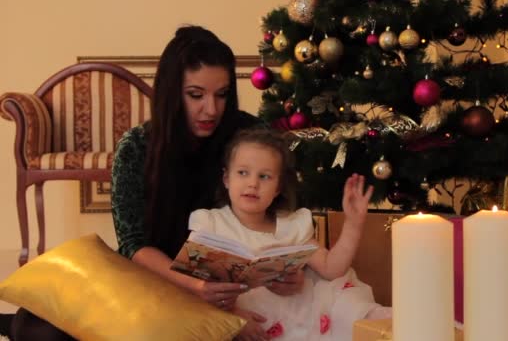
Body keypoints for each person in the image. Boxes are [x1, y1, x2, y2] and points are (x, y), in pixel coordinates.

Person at [1, 25, 303, 340]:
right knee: (34, 324)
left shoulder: (249, 137)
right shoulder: (136, 146)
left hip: (232, 292)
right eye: (196, 95)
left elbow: (282, 215)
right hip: (154, 277)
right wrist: (195, 288)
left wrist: (290, 276)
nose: (211, 109)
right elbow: (133, 245)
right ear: (172, 92)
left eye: (222, 94)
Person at [188, 128, 392, 341]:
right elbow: (196, 288)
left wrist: (353, 223)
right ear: (226, 178)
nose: (253, 183)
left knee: (347, 307)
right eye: (243, 173)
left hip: (307, 310)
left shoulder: (291, 224)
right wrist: (232, 317)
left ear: (277, 188)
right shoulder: (211, 224)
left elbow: (333, 269)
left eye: (264, 176)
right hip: (255, 322)